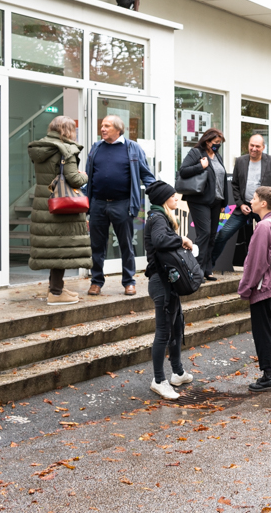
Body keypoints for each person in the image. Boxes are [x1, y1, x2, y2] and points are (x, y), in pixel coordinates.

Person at [85, 115, 155, 296]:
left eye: (107, 126)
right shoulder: (96, 147)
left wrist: (157, 193)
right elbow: (87, 175)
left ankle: (129, 281)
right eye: (102, 125)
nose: (102, 129)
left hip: (122, 204)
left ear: (118, 129)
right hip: (98, 204)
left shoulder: (132, 148)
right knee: (97, 246)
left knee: (126, 244)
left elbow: (146, 174)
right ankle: (96, 281)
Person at [27, 116, 93, 305]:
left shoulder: (41, 148)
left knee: (54, 247)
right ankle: (56, 293)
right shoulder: (66, 150)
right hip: (63, 207)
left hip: (45, 203)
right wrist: (84, 176)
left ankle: (55, 287)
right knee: (62, 248)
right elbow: (73, 179)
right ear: (68, 131)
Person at [144, 180, 195, 400]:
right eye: (173, 195)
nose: (177, 198)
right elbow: (160, 240)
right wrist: (181, 238)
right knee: (163, 333)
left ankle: (178, 373)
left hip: (168, 282)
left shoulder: (161, 217)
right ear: (164, 199)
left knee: (176, 327)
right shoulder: (157, 218)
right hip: (161, 283)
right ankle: (158, 380)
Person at [237, 187, 271, 392]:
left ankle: (268, 376)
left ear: (263, 203)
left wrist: (245, 287)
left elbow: (256, 262)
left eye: (255, 198)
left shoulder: (263, 226)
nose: (251, 201)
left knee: (263, 331)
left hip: (263, 287)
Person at [211, 134, 271, 266]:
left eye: (257, 146)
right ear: (248, 145)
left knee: (270, 239)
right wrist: (240, 204)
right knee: (222, 234)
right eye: (252, 145)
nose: (254, 148)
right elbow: (235, 185)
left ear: (263, 147)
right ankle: (207, 266)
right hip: (244, 207)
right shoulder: (241, 161)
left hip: (263, 208)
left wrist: (269, 205)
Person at [178, 128, 228, 281]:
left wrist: (224, 202)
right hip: (199, 200)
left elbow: (222, 179)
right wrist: (200, 166)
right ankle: (195, 270)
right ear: (207, 141)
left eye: (220, 143)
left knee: (212, 236)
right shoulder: (196, 153)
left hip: (216, 201)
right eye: (216, 142)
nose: (218, 145)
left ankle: (207, 269)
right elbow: (183, 171)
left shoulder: (217, 156)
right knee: (204, 233)